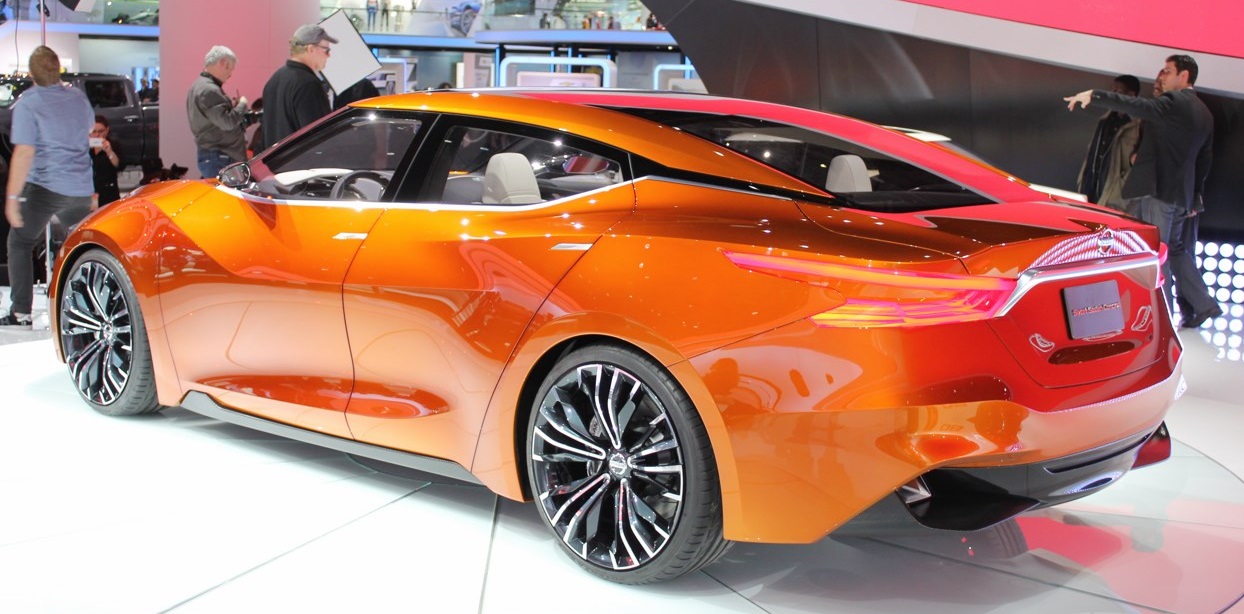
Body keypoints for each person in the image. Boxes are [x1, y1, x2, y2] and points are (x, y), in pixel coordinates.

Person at [1065, 54, 1220, 328]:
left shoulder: (1174, 102)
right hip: (1181, 195)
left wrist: (1095, 95)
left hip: (1159, 191)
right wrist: (1195, 195)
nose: (1162, 75)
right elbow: (1204, 160)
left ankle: (1164, 316)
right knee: (1175, 249)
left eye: (1168, 71)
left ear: (1184, 76)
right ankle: (1204, 304)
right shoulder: (1204, 113)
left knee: (1157, 253)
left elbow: (1139, 106)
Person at [1, 46, 94, 328]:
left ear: (31, 74)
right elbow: (89, 129)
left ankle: (21, 312)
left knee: (19, 242)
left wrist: (12, 197)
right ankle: (87, 312)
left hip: (46, 187)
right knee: (81, 249)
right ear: (58, 69)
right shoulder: (78, 97)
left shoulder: (28, 103)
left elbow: (24, 153)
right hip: (80, 188)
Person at [261, 24, 337, 149]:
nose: (329, 55)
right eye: (326, 50)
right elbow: (319, 137)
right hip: (299, 160)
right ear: (311, 49)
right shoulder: (308, 84)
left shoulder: (275, 79)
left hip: (276, 159)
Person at [186, 45, 250, 179]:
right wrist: (242, 104)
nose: (230, 74)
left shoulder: (199, 86)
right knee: (225, 193)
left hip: (216, 156)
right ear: (223, 63)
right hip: (221, 157)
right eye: (230, 68)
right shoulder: (209, 90)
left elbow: (219, 120)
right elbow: (227, 122)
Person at [1076, 75, 1140, 204]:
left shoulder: (1137, 125)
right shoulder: (1105, 120)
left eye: (1118, 92)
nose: (1113, 95)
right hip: (1090, 185)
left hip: (1113, 193)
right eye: (1112, 91)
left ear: (1131, 95)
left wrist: (1121, 185)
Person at [90, 115, 123, 207]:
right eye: (94, 131)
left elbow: (119, 165)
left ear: (107, 130)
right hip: (89, 192)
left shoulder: (114, 145)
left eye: (101, 131)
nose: (97, 135)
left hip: (108, 192)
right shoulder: (84, 147)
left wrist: (109, 151)